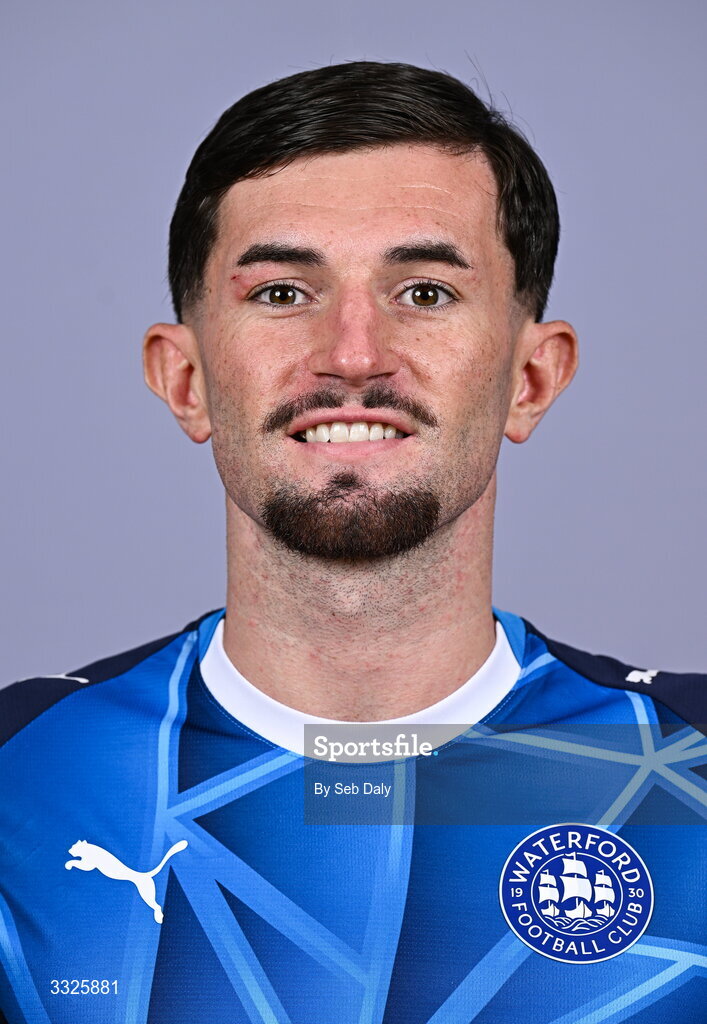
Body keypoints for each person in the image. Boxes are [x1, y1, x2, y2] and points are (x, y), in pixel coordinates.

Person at [0, 61, 704, 1024]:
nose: (355, 354)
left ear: (531, 379)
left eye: (423, 292)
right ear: (186, 379)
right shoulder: (20, 775)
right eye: (283, 292)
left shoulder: (688, 769)